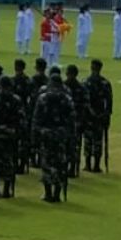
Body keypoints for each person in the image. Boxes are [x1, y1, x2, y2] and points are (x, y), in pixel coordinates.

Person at [33, 66, 75, 202]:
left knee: (46, 164)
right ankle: (57, 193)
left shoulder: (43, 98)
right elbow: (71, 120)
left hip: (46, 135)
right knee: (60, 164)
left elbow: (36, 119)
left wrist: (36, 134)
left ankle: (48, 193)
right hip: (61, 135)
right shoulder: (67, 98)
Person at [82, 59, 113, 173]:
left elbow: (84, 101)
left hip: (90, 116)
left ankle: (88, 164)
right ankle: (95, 165)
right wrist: (106, 115)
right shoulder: (105, 83)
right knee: (97, 140)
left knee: (88, 141)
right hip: (99, 115)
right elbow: (109, 102)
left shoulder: (85, 81)